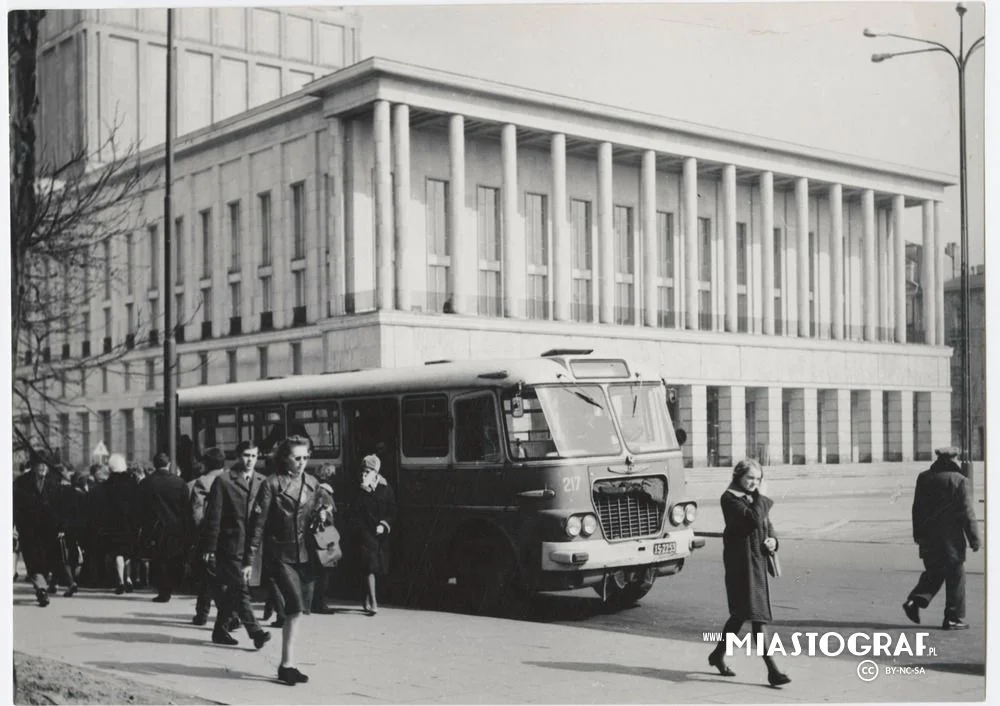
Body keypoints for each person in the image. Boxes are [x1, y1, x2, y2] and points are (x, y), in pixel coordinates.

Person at [249, 435, 333, 686]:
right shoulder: (272, 485)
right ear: (285, 458)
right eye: (297, 458)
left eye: (306, 457)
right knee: (294, 607)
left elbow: (325, 511)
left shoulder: (313, 482)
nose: (302, 463)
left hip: (305, 555)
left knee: (298, 612)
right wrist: (249, 560)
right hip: (280, 556)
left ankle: (288, 664)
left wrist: (325, 511)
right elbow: (258, 525)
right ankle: (286, 665)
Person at [707, 459, 790, 687]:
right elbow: (753, 519)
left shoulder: (752, 498)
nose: (754, 483)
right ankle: (773, 671)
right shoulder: (729, 499)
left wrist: (773, 540)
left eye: (757, 478)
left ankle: (717, 656)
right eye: (750, 478)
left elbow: (765, 523)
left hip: (756, 561)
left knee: (741, 615)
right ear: (738, 476)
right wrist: (761, 496)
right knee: (756, 616)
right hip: (740, 565)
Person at [200, 441, 271, 649]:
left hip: (251, 546)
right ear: (239, 456)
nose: (250, 460)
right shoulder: (224, 481)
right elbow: (214, 516)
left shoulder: (261, 481)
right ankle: (255, 632)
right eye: (247, 455)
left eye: (254, 456)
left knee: (234, 588)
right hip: (229, 544)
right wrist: (210, 548)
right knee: (240, 588)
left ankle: (220, 631)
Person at [902, 446, 981, 630]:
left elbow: (916, 509)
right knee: (956, 577)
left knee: (935, 572)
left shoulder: (924, 477)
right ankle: (953, 617)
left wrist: (918, 535)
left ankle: (915, 601)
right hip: (951, 541)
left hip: (928, 538)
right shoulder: (960, 480)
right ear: (954, 459)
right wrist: (974, 539)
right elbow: (967, 513)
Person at [138, 452, 190, 602]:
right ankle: (173, 586)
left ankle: (163, 591)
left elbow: (140, 508)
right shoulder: (180, 483)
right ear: (168, 464)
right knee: (173, 559)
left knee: (159, 560)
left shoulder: (146, 483)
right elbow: (185, 508)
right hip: (176, 528)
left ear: (154, 465)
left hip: (154, 529)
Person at [12, 453, 63, 606]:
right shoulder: (21, 482)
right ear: (33, 466)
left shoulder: (53, 483)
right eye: (39, 465)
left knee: (45, 561)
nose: (42, 468)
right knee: (33, 560)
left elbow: (60, 507)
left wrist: (61, 527)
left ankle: (42, 585)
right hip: (28, 528)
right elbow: (14, 505)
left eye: (45, 465)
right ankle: (41, 589)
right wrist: (13, 525)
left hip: (49, 529)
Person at [350, 454, 396, 616]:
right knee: (370, 566)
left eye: (368, 471)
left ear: (376, 472)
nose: (364, 474)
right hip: (364, 532)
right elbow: (353, 512)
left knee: (375, 568)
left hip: (380, 534)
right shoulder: (359, 489)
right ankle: (374, 603)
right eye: (363, 471)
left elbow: (392, 511)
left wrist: (384, 524)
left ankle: (366, 598)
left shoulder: (386, 488)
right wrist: (362, 491)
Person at [188, 449, 228, 625]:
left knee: (207, 576)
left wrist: (201, 537)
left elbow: (197, 514)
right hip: (228, 535)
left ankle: (204, 613)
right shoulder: (231, 479)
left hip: (209, 536)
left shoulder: (202, 482)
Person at [93, 453, 140, 594]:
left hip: (113, 522)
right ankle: (129, 579)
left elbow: (102, 506)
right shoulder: (133, 483)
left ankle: (120, 580)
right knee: (129, 552)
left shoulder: (107, 485)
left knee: (118, 552)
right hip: (130, 522)